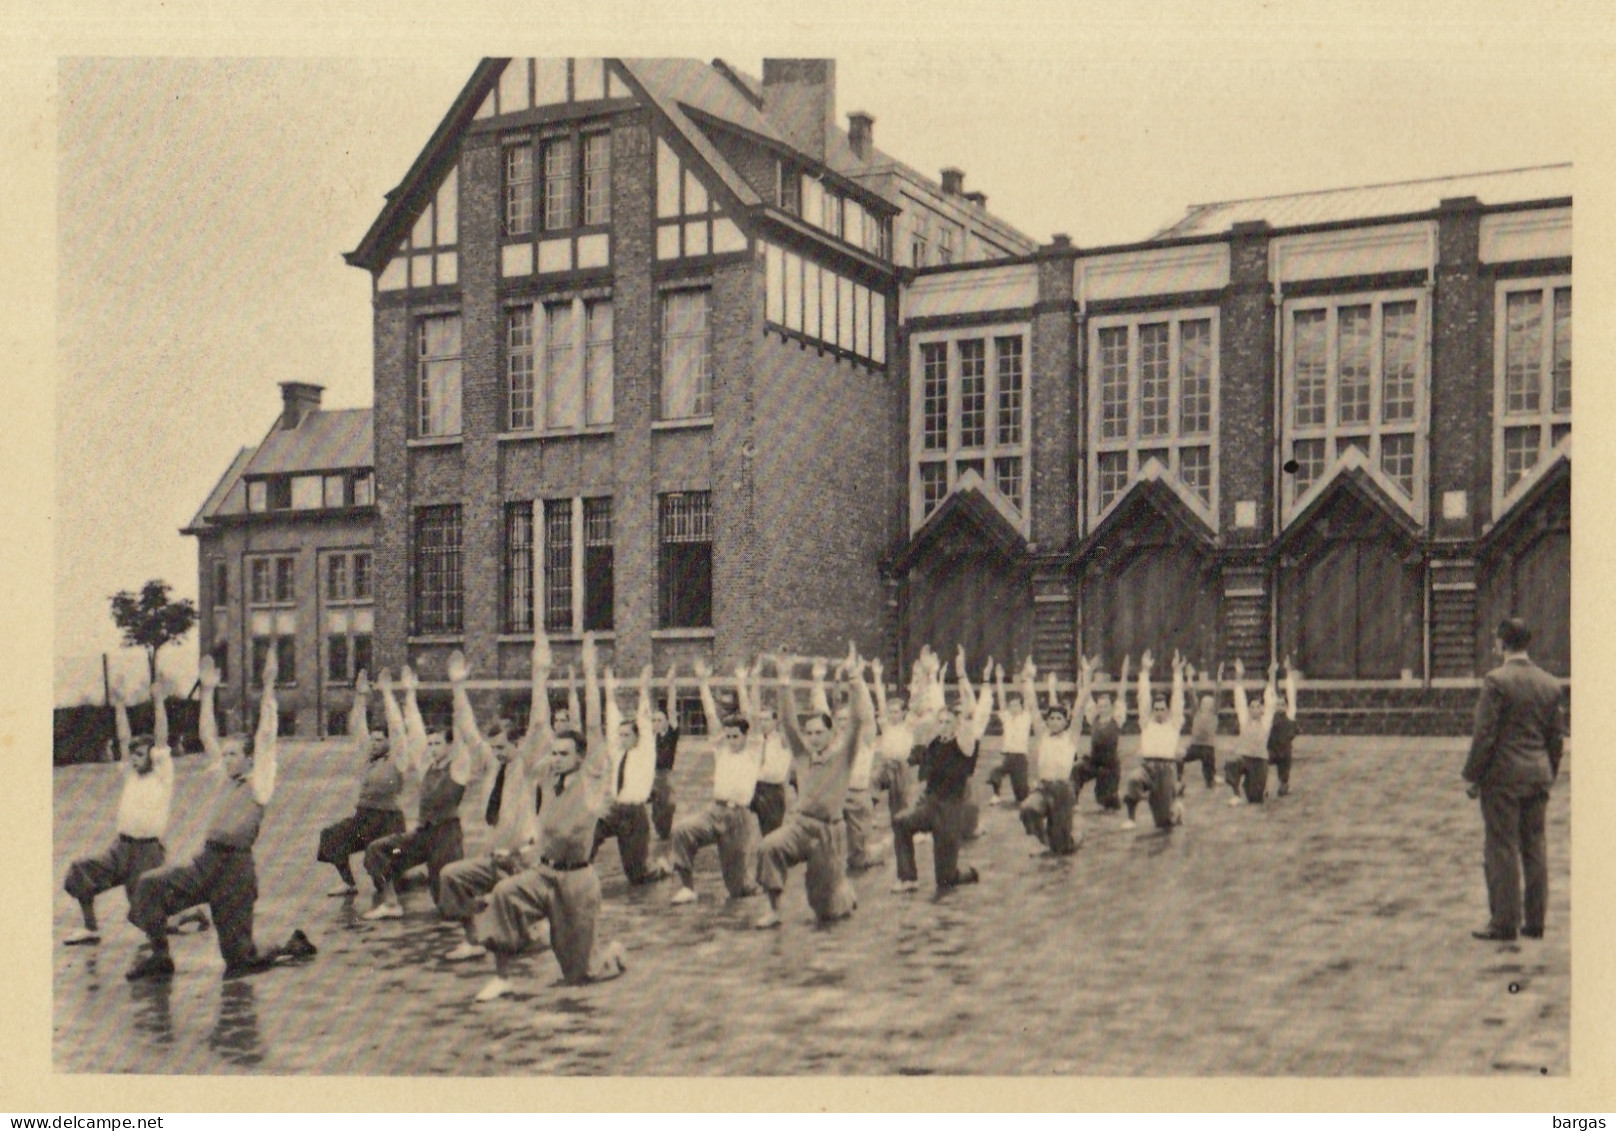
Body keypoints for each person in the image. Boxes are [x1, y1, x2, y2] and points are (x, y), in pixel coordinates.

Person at [125, 653, 315, 980]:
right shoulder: (224, 776)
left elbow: (266, 736)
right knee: (148, 886)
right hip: (205, 863)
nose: (225, 759)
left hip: (235, 873)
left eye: (232, 755)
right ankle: (160, 955)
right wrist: (209, 692)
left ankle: (291, 945)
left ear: (248, 759)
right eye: (224, 754)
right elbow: (207, 736)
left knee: (240, 962)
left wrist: (268, 685)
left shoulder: (260, 782)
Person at [472, 633, 627, 1000]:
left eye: (563, 754)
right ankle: (502, 977)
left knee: (579, 976)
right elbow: (538, 729)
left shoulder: (590, 781)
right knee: (504, 896)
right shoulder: (546, 777)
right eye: (554, 753)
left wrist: (590, 671)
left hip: (576, 884)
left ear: (580, 757)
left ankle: (613, 958)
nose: (555, 758)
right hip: (543, 874)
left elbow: (592, 728)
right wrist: (539, 674)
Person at [63, 678, 207, 945]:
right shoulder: (131, 773)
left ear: (153, 756)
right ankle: (91, 929)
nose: (134, 759)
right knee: (80, 872)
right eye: (134, 756)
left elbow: (161, 737)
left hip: (147, 852)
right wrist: (119, 705)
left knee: (144, 915)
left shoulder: (162, 774)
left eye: (140, 755)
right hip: (120, 849)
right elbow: (123, 738)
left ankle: (188, 915)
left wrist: (160, 701)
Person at [435, 643, 545, 962]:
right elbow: (468, 731)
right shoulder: (493, 764)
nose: (496, 753)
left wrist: (540, 674)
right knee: (451, 876)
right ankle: (473, 940)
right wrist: (458, 686)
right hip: (495, 859)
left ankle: (533, 932)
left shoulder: (525, 766)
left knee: (508, 904)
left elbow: (538, 723)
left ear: (518, 744)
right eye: (494, 747)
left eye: (502, 748)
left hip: (523, 861)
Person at [753, 649, 873, 929]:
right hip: (799, 826)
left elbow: (857, 722)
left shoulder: (843, 757)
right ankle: (774, 909)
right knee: (769, 847)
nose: (814, 737)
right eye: (811, 733)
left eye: (820, 732)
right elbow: (788, 724)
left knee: (827, 912)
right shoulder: (804, 755)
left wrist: (855, 679)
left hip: (828, 833)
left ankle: (842, 891)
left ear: (832, 734)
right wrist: (784, 681)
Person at [1462, 618, 1565, 942]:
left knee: (1501, 847)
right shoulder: (1550, 684)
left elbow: (1485, 735)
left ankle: (1504, 922)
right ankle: (1535, 922)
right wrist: (1548, 772)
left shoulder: (1496, 681)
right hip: (1538, 776)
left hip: (1503, 779)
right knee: (1535, 847)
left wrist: (1473, 775)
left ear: (1502, 643)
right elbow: (1555, 739)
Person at [362, 666, 472, 918]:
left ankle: (435, 881)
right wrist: (404, 694)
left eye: (438, 744)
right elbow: (413, 730)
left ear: (451, 746)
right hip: (423, 836)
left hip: (447, 838)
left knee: (446, 906)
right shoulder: (427, 767)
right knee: (377, 851)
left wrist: (458, 687)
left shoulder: (458, 768)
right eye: (431, 744)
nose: (432, 748)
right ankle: (391, 903)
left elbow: (463, 726)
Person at [890, 646, 991, 893]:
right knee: (902, 822)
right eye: (941, 721)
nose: (944, 725)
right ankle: (908, 878)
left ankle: (967, 873)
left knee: (945, 880)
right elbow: (922, 706)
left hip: (951, 810)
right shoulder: (935, 743)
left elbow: (969, 708)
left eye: (949, 721)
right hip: (931, 805)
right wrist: (925, 676)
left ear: (958, 723)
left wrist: (961, 674)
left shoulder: (965, 742)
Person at [667, 659, 764, 906]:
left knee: (738, 889)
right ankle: (687, 888)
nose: (731, 740)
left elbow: (752, 714)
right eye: (728, 736)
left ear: (746, 736)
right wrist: (702, 682)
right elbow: (710, 715)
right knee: (682, 830)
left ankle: (762, 883)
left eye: (735, 736)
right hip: (714, 811)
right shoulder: (722, 750)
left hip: (738, 818)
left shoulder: (753, 751)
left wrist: (746, 683)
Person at [315, 670, 411, 898]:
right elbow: (357, 725)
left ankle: (404, 877)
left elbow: (397, 728)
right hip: (364, 818)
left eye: (380, 740)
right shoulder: (368, 758)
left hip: (389, 821)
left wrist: (387, 693)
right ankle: (349, 883)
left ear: (389, 742)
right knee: (331, 836)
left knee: (389, 878)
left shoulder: (398, 759)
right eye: (373, 739)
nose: (375, 743)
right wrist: (360, 696)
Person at [590, 663, 670, 886]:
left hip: (635, 816)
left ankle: (662, 868)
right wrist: (609, 689)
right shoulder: (618, 752)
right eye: (621, 735)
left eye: (626, 735)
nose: (622, 738)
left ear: (637, 737)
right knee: (590, 834)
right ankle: (579, 872)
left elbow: (644, 722)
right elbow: (612, 717)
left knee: (637, 876)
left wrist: (643, 690)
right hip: (614, 809)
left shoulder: (645, 752)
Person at [1018, 661, 1085, 855]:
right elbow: (1031, 706)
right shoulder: (1042, 734)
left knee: (1062, 849)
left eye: (1059, 719)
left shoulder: (1071, 737)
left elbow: (1079, 710)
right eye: (1052, 718)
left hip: (1062, 792)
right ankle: (1041, 840)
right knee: (1027, 809)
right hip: (1043, 788)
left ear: (1065, 722)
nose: (1054, 722)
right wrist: (1028, 680)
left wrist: (1087, 682)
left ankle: (1075, 835)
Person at [1122, 651, 1187, 831]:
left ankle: (1176, 808)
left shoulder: (1174, 724)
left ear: (1167, 710)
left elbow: (1178, 700)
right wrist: (1144, 671)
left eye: (1162, 709)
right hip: (1147, 767)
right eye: (1156, 709)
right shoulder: (1146, 723)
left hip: (1166, 770)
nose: (1158, 712)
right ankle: (1131, 818)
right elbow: (1143, 699)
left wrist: (1177, 673)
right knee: (1133, 780)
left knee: (1164, 824)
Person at [1075, 656, 1130, 811]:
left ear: (1111, 707)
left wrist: (1124, 673)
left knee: (1106, 802)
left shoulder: (1117, 719)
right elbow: (1086, 696)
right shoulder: (1093, 717)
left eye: (1106, 705)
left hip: (1110, 766)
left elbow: (1122, 694)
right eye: (1100, 705)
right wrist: (1087, 674)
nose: (1102, 708)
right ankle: (1073, 800)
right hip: (1094, 762)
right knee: (1076, 769)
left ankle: (1115, 796)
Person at [746, 661, 794, 839]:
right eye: (762, 719)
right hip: (754, 788)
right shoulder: (758, 739)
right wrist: (755, 681)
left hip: (773, 791)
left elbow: (787, 715)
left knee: (772, 834)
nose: (763, 722)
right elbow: (752, 711)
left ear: (775, 721)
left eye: (767, 719)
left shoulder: (782, 740)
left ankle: (773, 862)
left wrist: (783, 680)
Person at [1225, 658, 1280, 806]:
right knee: (1231, 764)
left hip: (1260, 760)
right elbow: (1239, 700)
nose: (1255, 709)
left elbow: (1270, 702)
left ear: (1261, 710)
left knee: (1255, 799)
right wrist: (1238, 676)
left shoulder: (1265, 722)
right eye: (1252, 707)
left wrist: (1271, 677)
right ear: (1249, 710)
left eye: (1258, 707)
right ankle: (1236, 793)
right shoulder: (1244, 720)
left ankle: (1256, 784)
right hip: (1245, 758)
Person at [987, 666, 1033, 807]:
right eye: (1011, 706)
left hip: (1020, 758)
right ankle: (996, 795)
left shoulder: (1026, 717)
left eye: (1016, 706)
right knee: (995, 771)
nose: (1013, 708)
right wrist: (999, 680)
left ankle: (1033, 791)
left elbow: (1028, 698)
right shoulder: (1006, 717)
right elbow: (1001, 700)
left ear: (1021, 707)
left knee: (1022, 796)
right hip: (1007, 756)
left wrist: (1026, 679)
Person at [649, 665, 681, 855]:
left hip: (665, 775)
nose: (656, 723)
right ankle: (660, 833)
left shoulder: (670, 735)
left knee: (668, 805)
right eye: (654, 720)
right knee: (655, 810)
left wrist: (671, 685)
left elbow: (671, 708)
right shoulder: (649, 738)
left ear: (666, 722)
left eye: (659, 720)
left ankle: (666, 834)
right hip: (651, 776)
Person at [1179, 664, 1223, 791]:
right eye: (1203, 702)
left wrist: (1219, 678)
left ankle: (1211, 780)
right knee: (1179, 758)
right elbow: (1191, 694)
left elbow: (1218, 694)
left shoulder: (1214, 714)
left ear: (1212, 705)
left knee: (1209, 775)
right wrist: (1189, 677)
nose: (1205, 704)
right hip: (1195, 746)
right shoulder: (1196, 713)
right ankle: (1177, 779)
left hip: (1208, 748)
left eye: (1208, 703)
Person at [1267, 658, 1301, 797]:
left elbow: (1291, 695)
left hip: (1285, 752)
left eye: (1282, 705)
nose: (1280, 707)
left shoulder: (1290, 715)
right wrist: (1271, 675)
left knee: (1285, 769)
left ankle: (1283, 784)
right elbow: (1270, 694)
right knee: (1262, 764)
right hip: (1272, 749)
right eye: (1278, 705)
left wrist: (1288, 673)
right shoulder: (1270, 716)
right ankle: (1262, 785)